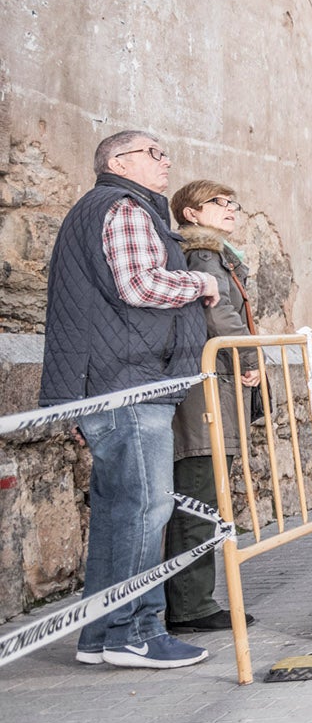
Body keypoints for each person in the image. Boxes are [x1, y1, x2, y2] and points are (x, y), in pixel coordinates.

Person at [41, 130, 220, 670]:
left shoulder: (105, 208)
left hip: (113, 382)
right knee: (145, 510)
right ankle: (133, 632)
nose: (166, 161)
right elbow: (140, 285)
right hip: (129, 385)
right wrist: (199, 285)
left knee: (121, 514)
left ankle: (99, 636)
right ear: (118, 161)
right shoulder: (123, 206)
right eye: (154, 153)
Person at [165, 179, 262, 636]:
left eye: (233, 202)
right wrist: (248, 355)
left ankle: (196, 601)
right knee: (198, 495)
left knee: (207, 496)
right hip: (205, 394)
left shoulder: (216, 254)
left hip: (217, 387)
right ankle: (190, 606)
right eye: (217, 203)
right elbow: (219, 315)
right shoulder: (203, 255)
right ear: (190, 213)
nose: (230, 209)